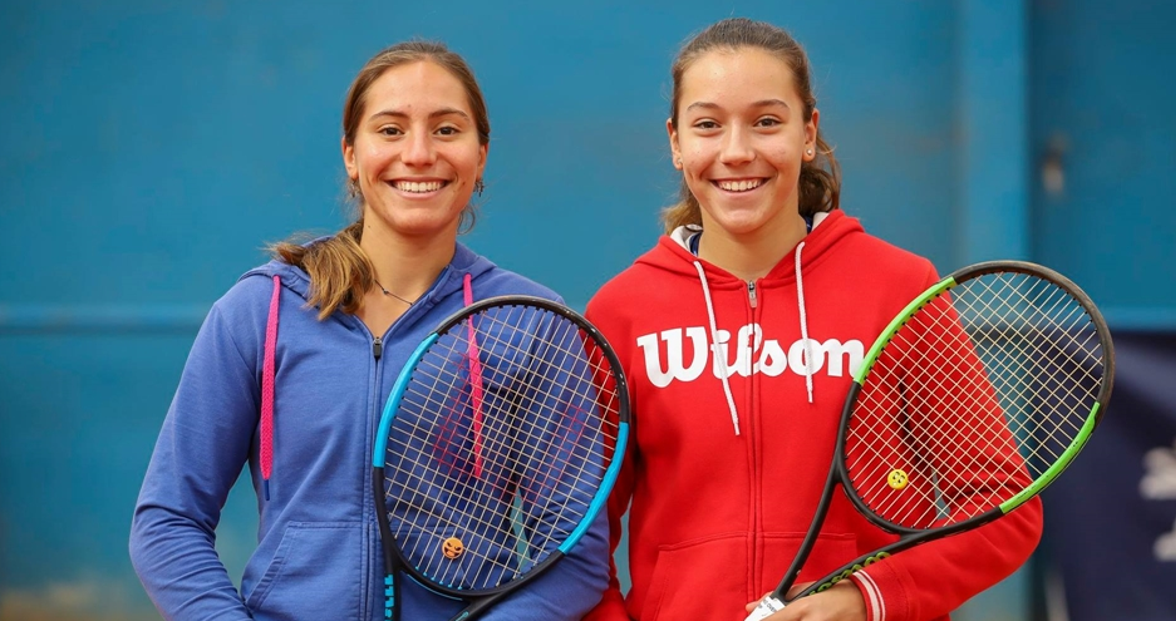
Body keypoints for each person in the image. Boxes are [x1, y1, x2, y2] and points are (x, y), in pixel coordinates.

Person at [129, 40, 609, 621]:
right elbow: (168, 522)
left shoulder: (532, 321)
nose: (418, 152)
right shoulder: (260, 309)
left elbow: (576, 555)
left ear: (481, 155)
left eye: (447, 130)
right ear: (351, 155)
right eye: (389, 129)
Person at [582, 18, 1042, 621]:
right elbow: (579, 538)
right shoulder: (622, 311)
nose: (737, 150)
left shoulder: (900, 288)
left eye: (766, 121)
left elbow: (999, 506)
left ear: (809, 132)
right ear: (675, 142)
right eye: (707, 125)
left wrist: (866, 598)